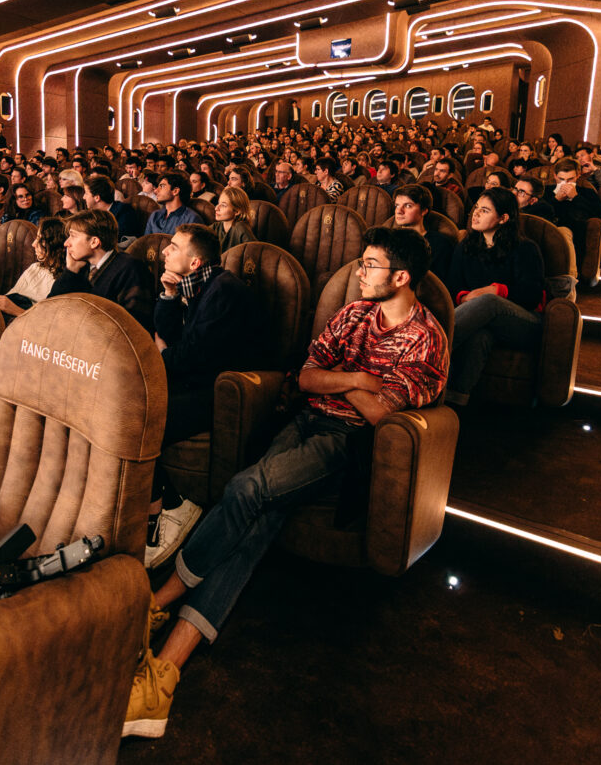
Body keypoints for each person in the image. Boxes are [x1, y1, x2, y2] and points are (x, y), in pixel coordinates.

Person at [124, 227, 448, 738]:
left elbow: (385, 417)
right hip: (305, 419)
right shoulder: (352, 314)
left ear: (401, 277)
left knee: (246, 489)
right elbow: (307, 377)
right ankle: (166, 673)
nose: (359, 273)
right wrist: (360, 380)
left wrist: (348, 384)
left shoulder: (427, 338)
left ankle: (159, 601)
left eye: (369, 265)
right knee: (262, 516)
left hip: (346, 441)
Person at [144, 223, 264, 570]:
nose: (165, 251)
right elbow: (170, 337)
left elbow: (191, 355)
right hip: (198, 379)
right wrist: (167, 296)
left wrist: (164, 355)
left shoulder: (223, 290)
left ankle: (170, 507)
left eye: (174, 247)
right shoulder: (199, 285)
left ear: (195, 262)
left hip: (226, 390)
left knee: (146, 419)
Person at [445, 187, 545, 406]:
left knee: (489, 301)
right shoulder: (465, 246)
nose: (476, 214)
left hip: (523, 322)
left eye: (485, 210)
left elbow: (532, 295)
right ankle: (455, 401)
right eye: (476, 208)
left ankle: (431, 349)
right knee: (480, 336)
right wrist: (464, 298)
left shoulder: (525, 248)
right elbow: (452, 287)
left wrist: (495, 290)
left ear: (503, 218)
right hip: (480, 319)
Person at [49, 209, 153, 330]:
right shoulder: (81, 266)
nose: (66, 243)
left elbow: (132, 327)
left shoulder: (132, 269)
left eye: (73, 236)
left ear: (94, 242)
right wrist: (70, 271)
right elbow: (52, 306)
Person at [0, 217, 67, 318]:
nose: (33, 244)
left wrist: (15, 310)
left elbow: (45, 322)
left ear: (53, 244)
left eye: (40, 239)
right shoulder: (35, 267)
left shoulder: (63, 281)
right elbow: (11, 297)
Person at [546, 158, 601, 271]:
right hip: (550, 230)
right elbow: (539, 213)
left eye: (570, 179)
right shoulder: (546, 191)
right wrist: (556, 199)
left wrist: (576, 197)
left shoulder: (587, 192)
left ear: (578, 175)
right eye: (561, 179)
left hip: (577, 232)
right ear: (555, 176)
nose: (565, 183)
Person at [393, 185, 455, 283]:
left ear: (424, 210)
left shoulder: (440, 244)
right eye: (397, 205)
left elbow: (436, 286)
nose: (399, 211)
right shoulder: (388, 240)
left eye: (408, 206)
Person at [83, 174, 135, 239]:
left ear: (97, 197)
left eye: (86, 193)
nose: (83, 197)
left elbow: (116, 240)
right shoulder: (92, 213)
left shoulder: (124, 212)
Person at [213, 186, 256, 253]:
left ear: (236, 211)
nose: (216, 208)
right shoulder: (216, 226)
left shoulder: (241, 228)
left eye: (223, 205)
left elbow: (254, 253)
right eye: (218, 203)